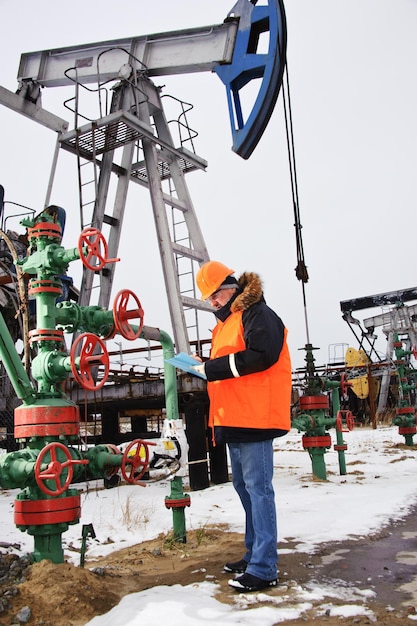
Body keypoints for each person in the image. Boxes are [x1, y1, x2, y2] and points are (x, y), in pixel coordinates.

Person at [193, 260, 292, 593]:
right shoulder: (226, 323)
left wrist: (212, 368)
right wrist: (204, 368)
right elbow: (229, 365)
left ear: (230, 286)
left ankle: (264, 568)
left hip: (255, 417)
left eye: (215, 295)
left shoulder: (257, 314)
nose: (212, 303)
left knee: (259, 490)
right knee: (246, 489)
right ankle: (254, 555)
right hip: (235, 417)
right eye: (208, 298)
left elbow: (263, 354)